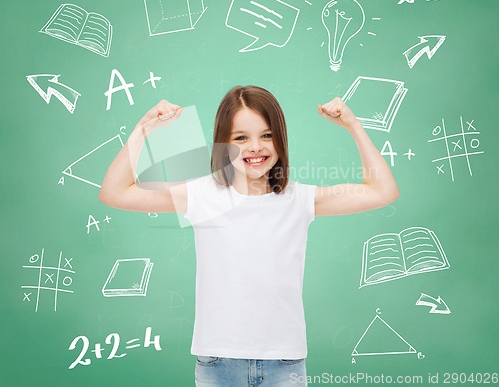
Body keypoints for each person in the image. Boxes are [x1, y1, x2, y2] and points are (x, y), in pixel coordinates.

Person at [99, 85, 399, 387]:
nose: (256, 147)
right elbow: (114, 192)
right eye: (241, 138)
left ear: (281, 139)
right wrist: (144, 129)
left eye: (267, 135)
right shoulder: (201, 195)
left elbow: (382, 190)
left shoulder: (300, 199)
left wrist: (353, 126)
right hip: (218, 362)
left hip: (285, 362)